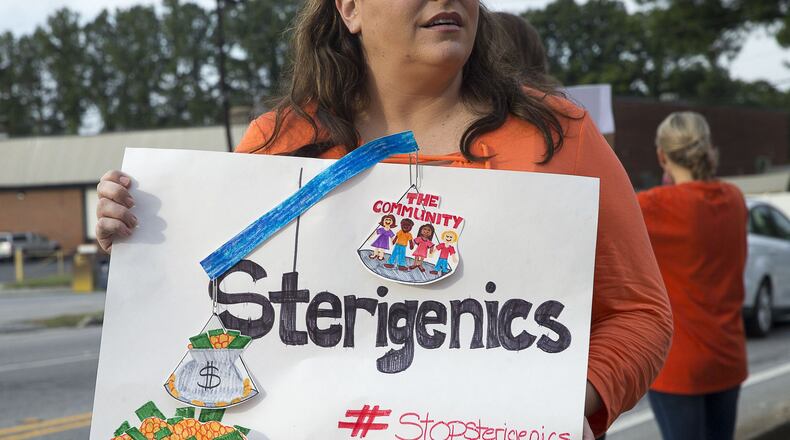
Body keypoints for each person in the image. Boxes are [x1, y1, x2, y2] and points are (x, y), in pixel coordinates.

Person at [95, 1, 672, 438]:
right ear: (348, 8)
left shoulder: (558, 135)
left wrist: (549, 408)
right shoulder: (280, 145)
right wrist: (137, 233)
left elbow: (640, 314)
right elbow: (215, 316)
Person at [638, 112, 747, 440]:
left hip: (678, 366)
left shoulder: (652, 206)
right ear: (707, 149)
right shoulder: (735, 199)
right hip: (728, 357)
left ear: (662, 156)